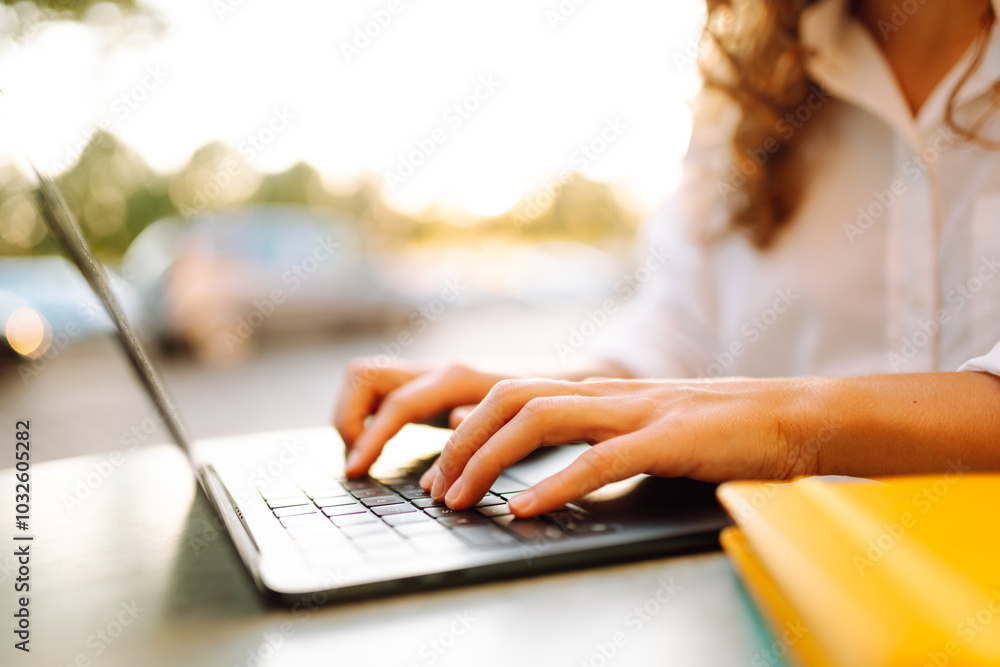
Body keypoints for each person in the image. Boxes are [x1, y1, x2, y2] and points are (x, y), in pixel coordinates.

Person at [333, 0, 1000, 519]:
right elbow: (686, 324)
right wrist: (570, 393)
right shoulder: (753, 83)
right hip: (788, 574)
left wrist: (787, 426)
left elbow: (748, 411)